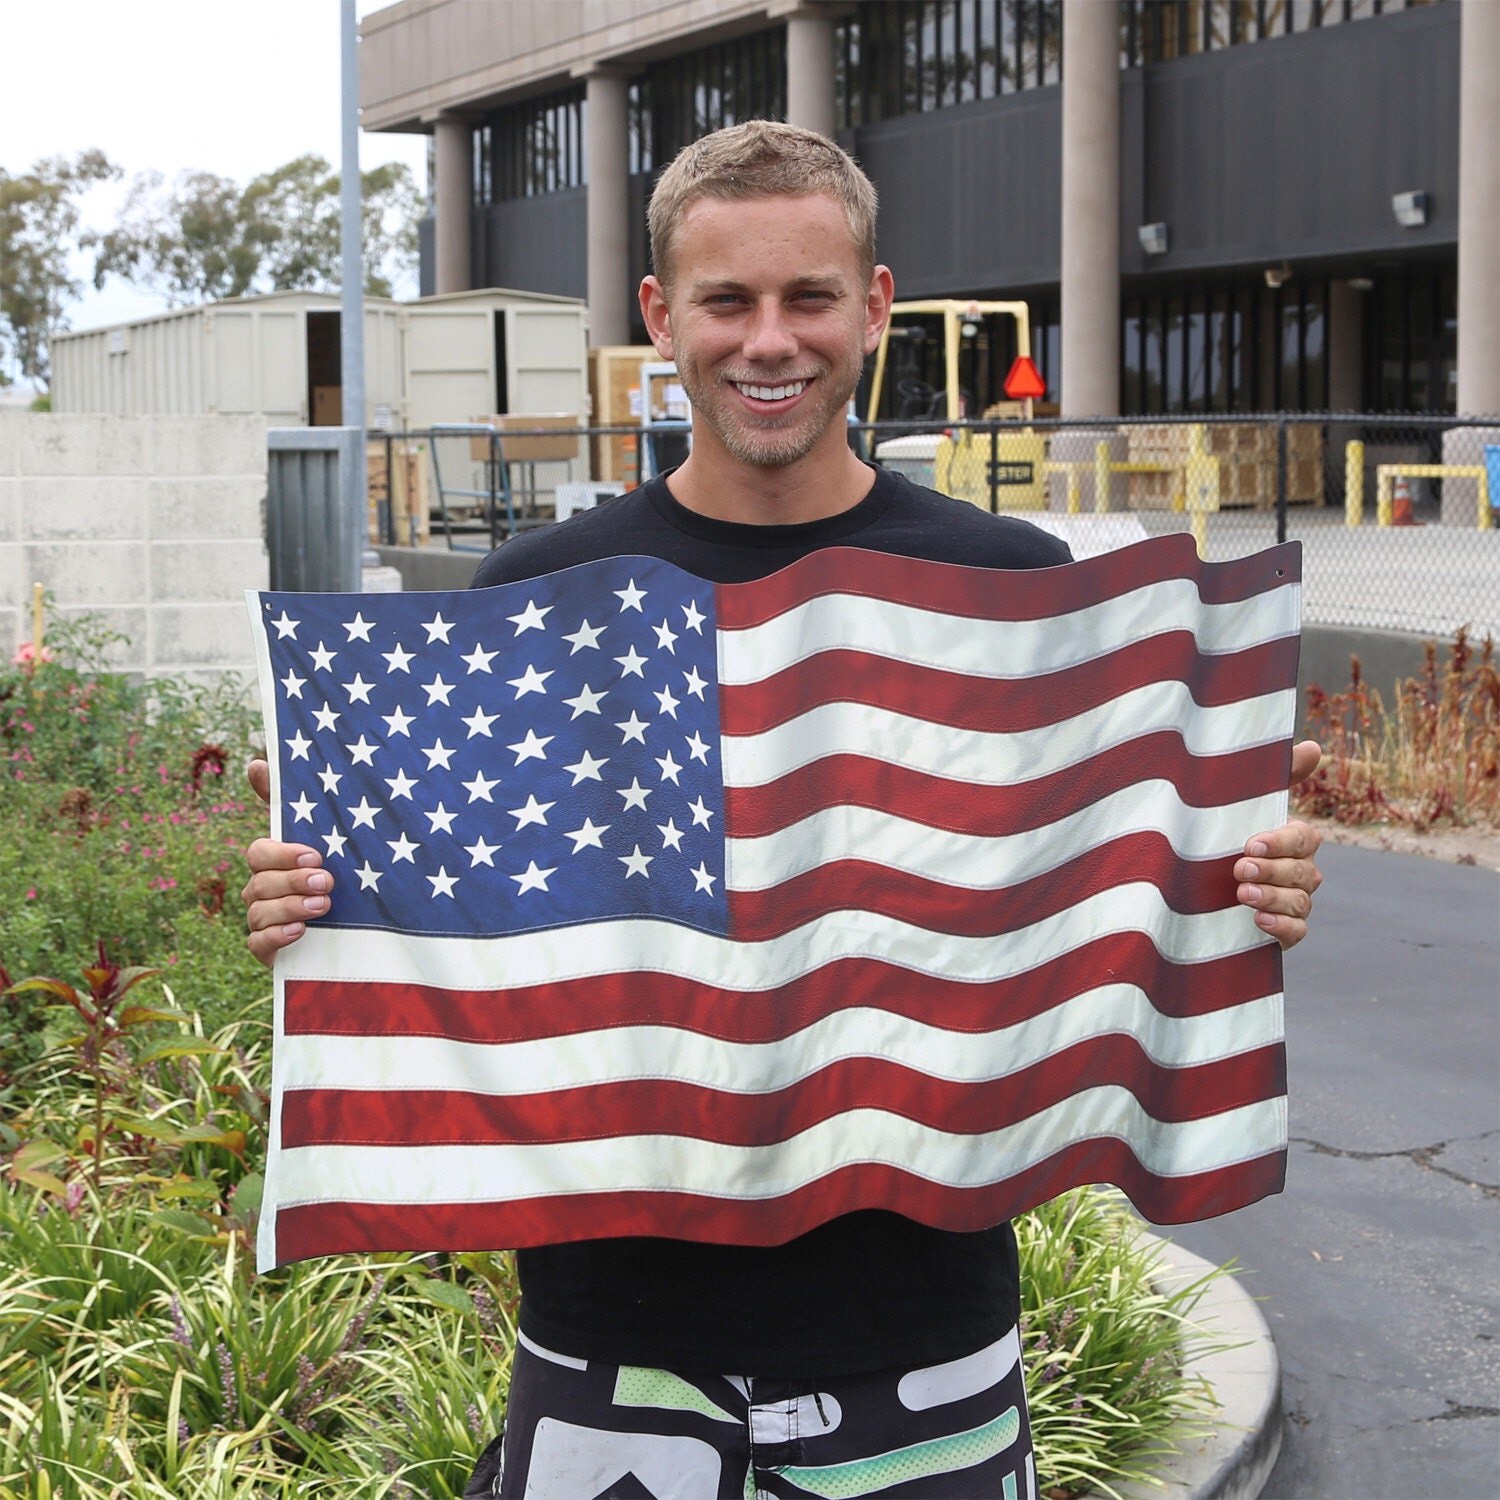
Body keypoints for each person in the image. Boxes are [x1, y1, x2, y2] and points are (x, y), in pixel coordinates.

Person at [242, 121, 1324, 1500]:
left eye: (809, 297)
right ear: (660, 317)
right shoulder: (532, 596)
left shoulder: (1014, 589)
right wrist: (316, 902)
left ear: (873, 307)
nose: (770, 341)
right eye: (727, 301)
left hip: (924, 1349)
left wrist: (1248, 888)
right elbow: (457, 927)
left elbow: (1116, 880)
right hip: (609, 1359)